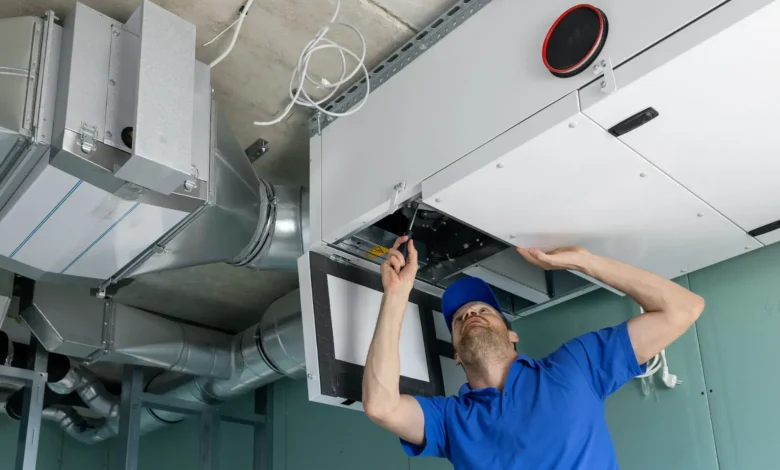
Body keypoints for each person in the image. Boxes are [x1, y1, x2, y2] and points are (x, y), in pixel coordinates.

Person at [362, 236, 705, 470]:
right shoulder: (450, 421)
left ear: (512, 334)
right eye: (460, 319)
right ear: (457, 355)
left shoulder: (575, 366)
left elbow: (683, 308)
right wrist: (396, 293)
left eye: (483, 310)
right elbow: (381, 406)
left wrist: (586, 262)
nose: (470, 315)